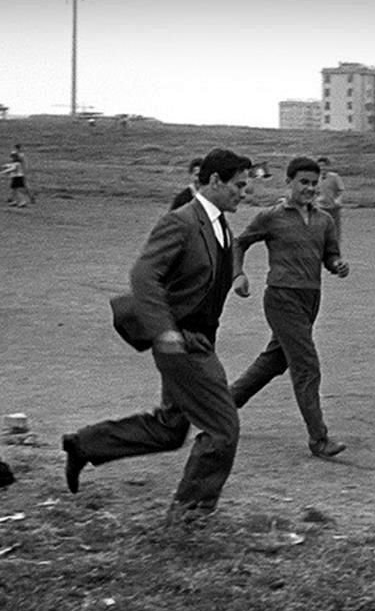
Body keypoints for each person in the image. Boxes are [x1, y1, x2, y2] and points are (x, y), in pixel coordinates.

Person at [61, 148, 253, 526]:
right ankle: (189, 517)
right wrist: (165, 331)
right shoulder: (181, 221)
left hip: (199, 337)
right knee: (222, 428)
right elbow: (143, 276)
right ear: (215, 181)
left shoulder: (220, 226)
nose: (244, 193)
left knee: (169, 428)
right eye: (239, 185)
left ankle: (85, 444)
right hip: (182, 342)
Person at [229, 157, 350, 459]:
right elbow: (239, 243)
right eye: (303, 183)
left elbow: (330, 255)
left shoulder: (324, 220)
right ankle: (318, 439)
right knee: (306, 365)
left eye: (313, 183)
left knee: (273, 362)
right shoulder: (271, 216)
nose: (309, 188)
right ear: (289, 183)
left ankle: (220, 408)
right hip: (282, 298)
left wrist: (337, 265)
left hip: (310, 299)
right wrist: (238, 274)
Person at [315, 156, 345, 244]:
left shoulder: (335, 177)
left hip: (333, 207)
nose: (322, 168)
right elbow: (315, 192)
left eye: (323, 166)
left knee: (335, 228)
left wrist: (338, 200)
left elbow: (341, 190)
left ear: (328, 167)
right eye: (319, 166)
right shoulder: (316, 178)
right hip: (321, 207)